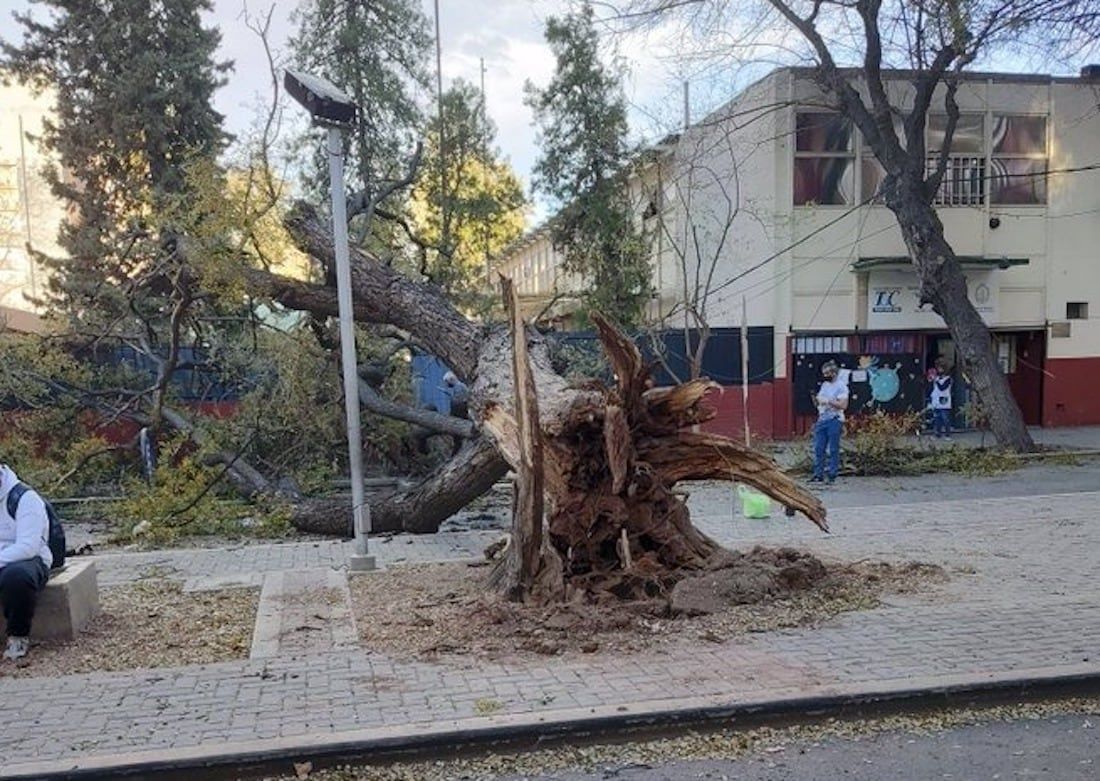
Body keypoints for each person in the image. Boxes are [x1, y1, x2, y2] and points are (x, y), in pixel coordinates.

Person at [0, 463, 53, 661]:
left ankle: (18, 636)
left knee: (16, 579)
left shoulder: (25, 498)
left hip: (28, 561)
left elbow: (27, 547)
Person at [811, 360, 849, 485]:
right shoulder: (825, 386)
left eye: (827, 373)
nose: (825, 375)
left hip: (834, 419)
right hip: (822, 419)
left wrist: (828, 401)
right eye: (824, 373)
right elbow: (819, 401)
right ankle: (818, 474)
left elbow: (843, 405)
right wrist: (816, 399)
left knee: (833, 448)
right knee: (819, 448)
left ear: (833, 373)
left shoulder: (841, 386)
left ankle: (832, 474)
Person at [929, 359, 954, 439]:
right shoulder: (937, 378)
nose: (939, 370)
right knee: (937, 419)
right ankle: (937, 434)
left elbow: (942, 388)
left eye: (940, 368)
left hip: (944, 401)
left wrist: (936, 380)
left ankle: (947, 434)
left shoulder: (948, 379)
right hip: (936, 401)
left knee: (945, 419)